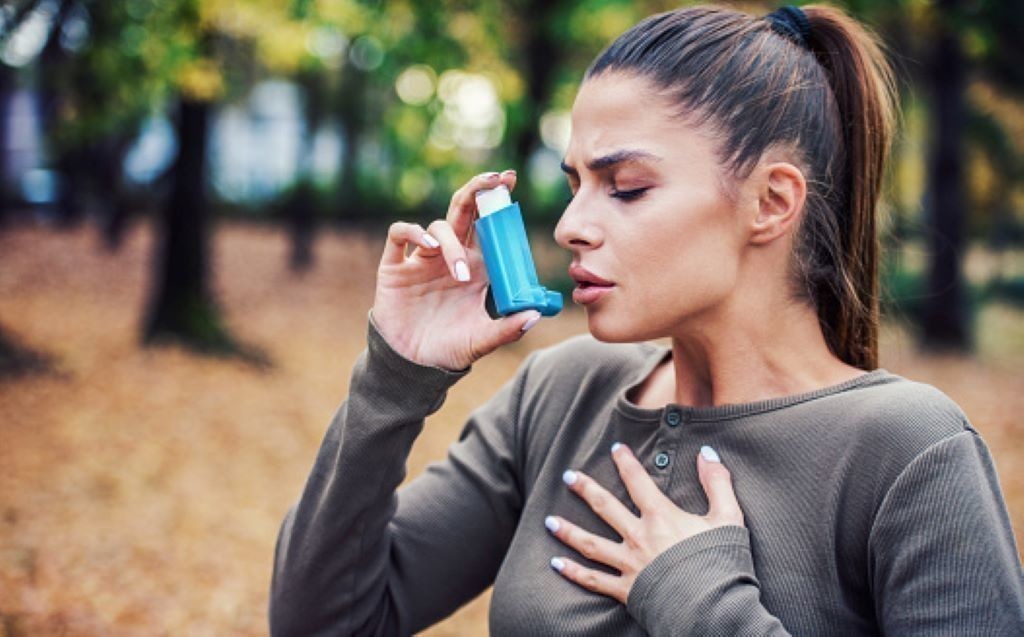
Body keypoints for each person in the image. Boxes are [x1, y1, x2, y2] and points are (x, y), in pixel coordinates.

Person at [269, 4, 1024, 635]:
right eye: (575, 184)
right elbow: (323, 621)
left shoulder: (910, 451)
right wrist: (396, 375)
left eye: (625, 187)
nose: (570, 225)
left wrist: (701, 601)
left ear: (771, 202)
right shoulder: (561, 394)